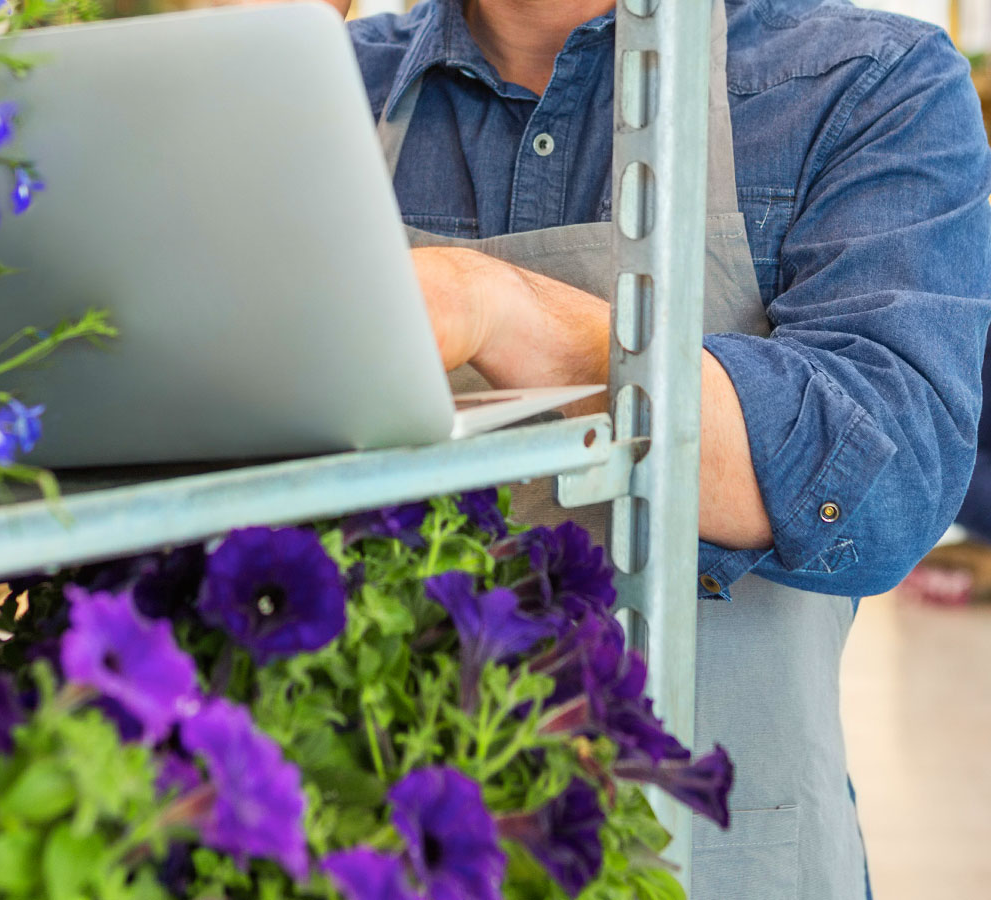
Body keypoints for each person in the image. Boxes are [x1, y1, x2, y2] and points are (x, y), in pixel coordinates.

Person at [322, 0, 991, 897]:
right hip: (362, 841)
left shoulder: (866, 81)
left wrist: (502, 312)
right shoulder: (325, 83)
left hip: (712, 858)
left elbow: (885, 489)